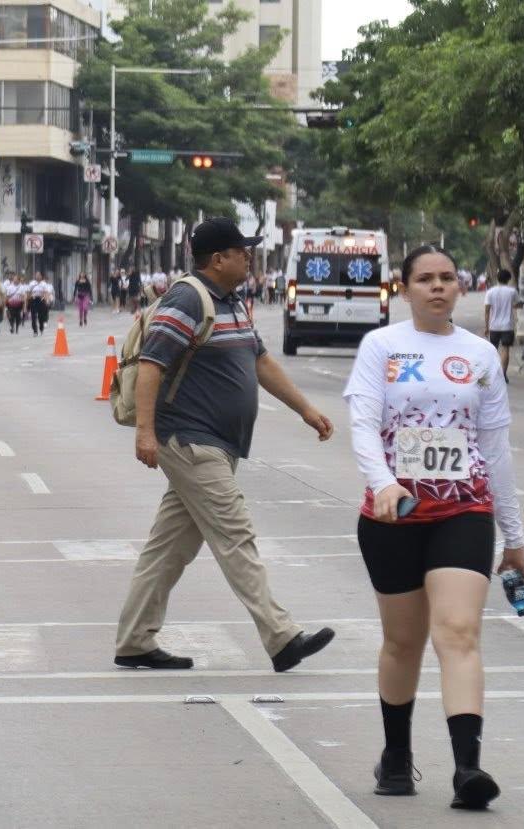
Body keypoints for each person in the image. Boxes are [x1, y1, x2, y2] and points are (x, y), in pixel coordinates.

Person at [341, 244, 523, 810]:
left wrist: (513, 536)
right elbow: (364, 424)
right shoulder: (381, 346)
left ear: (460, 288)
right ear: (405, 288)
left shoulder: (480, 355)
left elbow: (496, 448)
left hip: (465, 510)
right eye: (425, 279)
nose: (437, 287)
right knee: (403, 640)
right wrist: (383, 483)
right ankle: (396, 757)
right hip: (394, 515)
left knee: (459, 631)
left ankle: (467, 768)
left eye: (447, 278)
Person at [114, 217, 337, 673]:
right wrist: (145, 432)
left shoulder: (231, 302)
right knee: (236, 535)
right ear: (219, 259)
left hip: (217, 443)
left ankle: (135, 640)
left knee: (168, 548)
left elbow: (260, 360)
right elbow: (154, 364)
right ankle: (281, 637)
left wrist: (305, 410)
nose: (249, 256)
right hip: (191, 441)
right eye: (242, 250)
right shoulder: (187, 298)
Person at [483, 269, 518, 380]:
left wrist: (486, 327)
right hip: (508, 326)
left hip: (494, 326)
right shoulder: (512, 292)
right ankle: (503, 373)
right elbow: (517, 305)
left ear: (497, 278)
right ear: (508, 279)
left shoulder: (490, 292)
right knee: (505, 349)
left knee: (493, 350)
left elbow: (487, 310)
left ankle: (493, 374)